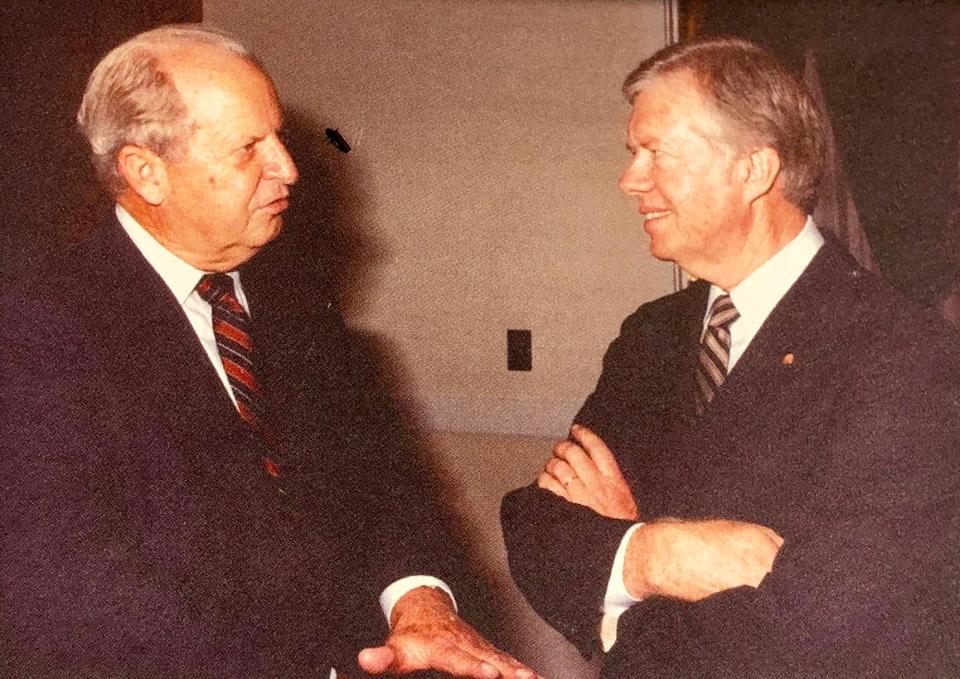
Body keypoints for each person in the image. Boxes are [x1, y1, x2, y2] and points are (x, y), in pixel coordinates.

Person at [0, 24, 536, 679]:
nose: (288, 166)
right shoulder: (34, 328)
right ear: (146, 171)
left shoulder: (299, 312)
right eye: (250, 146)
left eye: (277, 135)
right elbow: (69, 587)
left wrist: (417, 595)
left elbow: (382, 488)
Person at [501, 36, 960, 677]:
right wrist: (658, 552)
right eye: (633, 153)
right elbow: (537, 523)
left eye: (656, 153)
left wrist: (622, 549)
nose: (629, 179)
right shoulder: (653, 336)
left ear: (753, 170)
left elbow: (826, 622)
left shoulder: (903, 354)